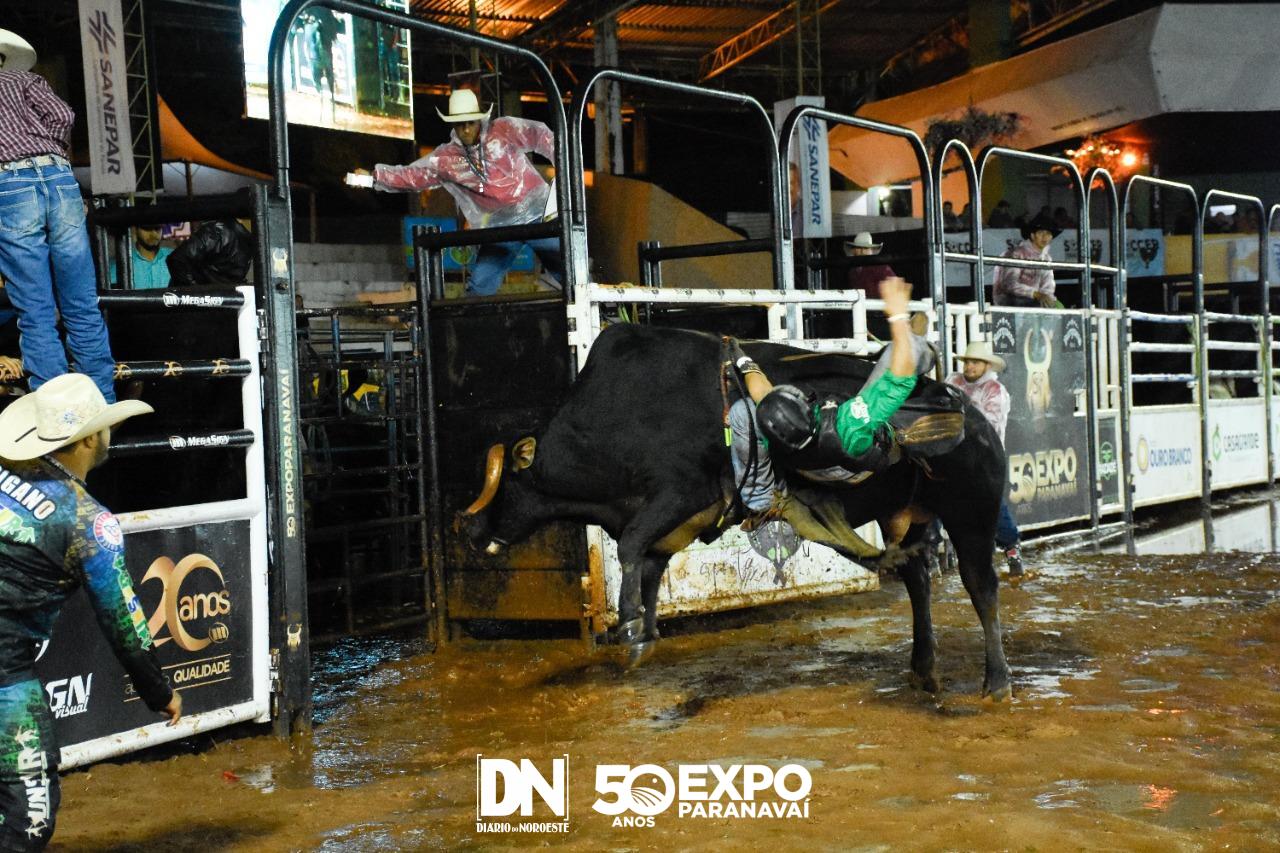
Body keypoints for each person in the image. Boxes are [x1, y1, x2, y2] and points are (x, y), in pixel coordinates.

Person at [0, 373, 182, 847]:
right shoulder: (88, 522)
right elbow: (124, 622)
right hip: (4, 674)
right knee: (29, 817)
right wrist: (159, 690)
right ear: (87, 439)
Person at [0, 30, 119, 403]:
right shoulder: (24, 79)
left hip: (9, 183)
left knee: (35, 310)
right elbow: (63, 115)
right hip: (58, 176)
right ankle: (102, 402)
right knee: (81, 303)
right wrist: (46, 146)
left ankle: (58, 410)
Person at [351, 89, 563, 297]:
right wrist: (372, 177)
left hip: (539, 215)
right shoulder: (448, 159)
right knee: (480, 286)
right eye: (461, 124)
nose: (466, 129)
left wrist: (566, 167)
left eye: (470, 122)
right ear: (453, 125)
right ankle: (472, 320)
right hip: (501, 227)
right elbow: (412, 176)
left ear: (479, 120)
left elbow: (542, 136)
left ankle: (583, 307)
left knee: (569, 270)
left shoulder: (504, 130)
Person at [946, 340, 1022, 575]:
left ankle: (1011, 548)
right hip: (954, 454)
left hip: (986, 456)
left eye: (975, 362)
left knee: (990, 504)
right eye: (968, 361)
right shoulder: (952, 381)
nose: (970, 366)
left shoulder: (995, 391)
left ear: (986, 365)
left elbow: (988, 425)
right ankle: (933, 550)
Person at [993, 212, 1060, 308]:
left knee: (1057, 306)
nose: (1045, 237)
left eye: (1048, 234)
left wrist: (1048, 298)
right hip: (1009, 302)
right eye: (1041, 233)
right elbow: (1009, 284)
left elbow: (1048, 285)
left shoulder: (1046, 258)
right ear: (1032, 235)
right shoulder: (1016, 254)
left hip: (1032, 302)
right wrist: (1036, 294)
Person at [166, 218, 254, 287]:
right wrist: (197, 294)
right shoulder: (218, 231)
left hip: (220, 299)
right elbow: (178, 259)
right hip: (196, 300)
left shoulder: (249, 240)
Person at [110, 224, 173, 289]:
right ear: (135, 230)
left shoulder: (174, 258)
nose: (153, 234)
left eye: (157, 228)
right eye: (147, 229)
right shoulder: (118, 265)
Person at [844, 232, 896, 298]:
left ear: (871, 250)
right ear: (854, 250)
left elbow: (895, 287)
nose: (862, 251)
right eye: (859, 247)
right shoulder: (852, 272)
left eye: (866, 248)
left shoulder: (880, 267)